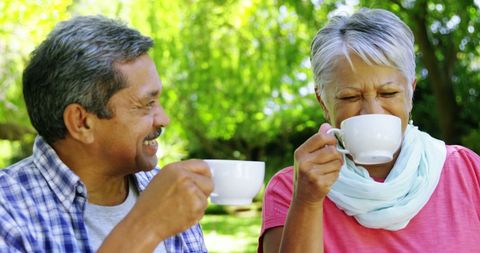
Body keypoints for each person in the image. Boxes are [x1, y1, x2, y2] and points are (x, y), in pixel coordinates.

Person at [259, 8, 480, 253]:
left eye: (388, 93)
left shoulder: (467, 171)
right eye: (350, 96)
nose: (372, 110)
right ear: (323, 102)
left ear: (410, 93)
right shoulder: (292, 189)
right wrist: (308, 202)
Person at [0, 15, 213, 252]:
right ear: (81, 122)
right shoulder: (8, 212)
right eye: (146, 104)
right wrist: (146, 226)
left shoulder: (167, 191)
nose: (164, 119)